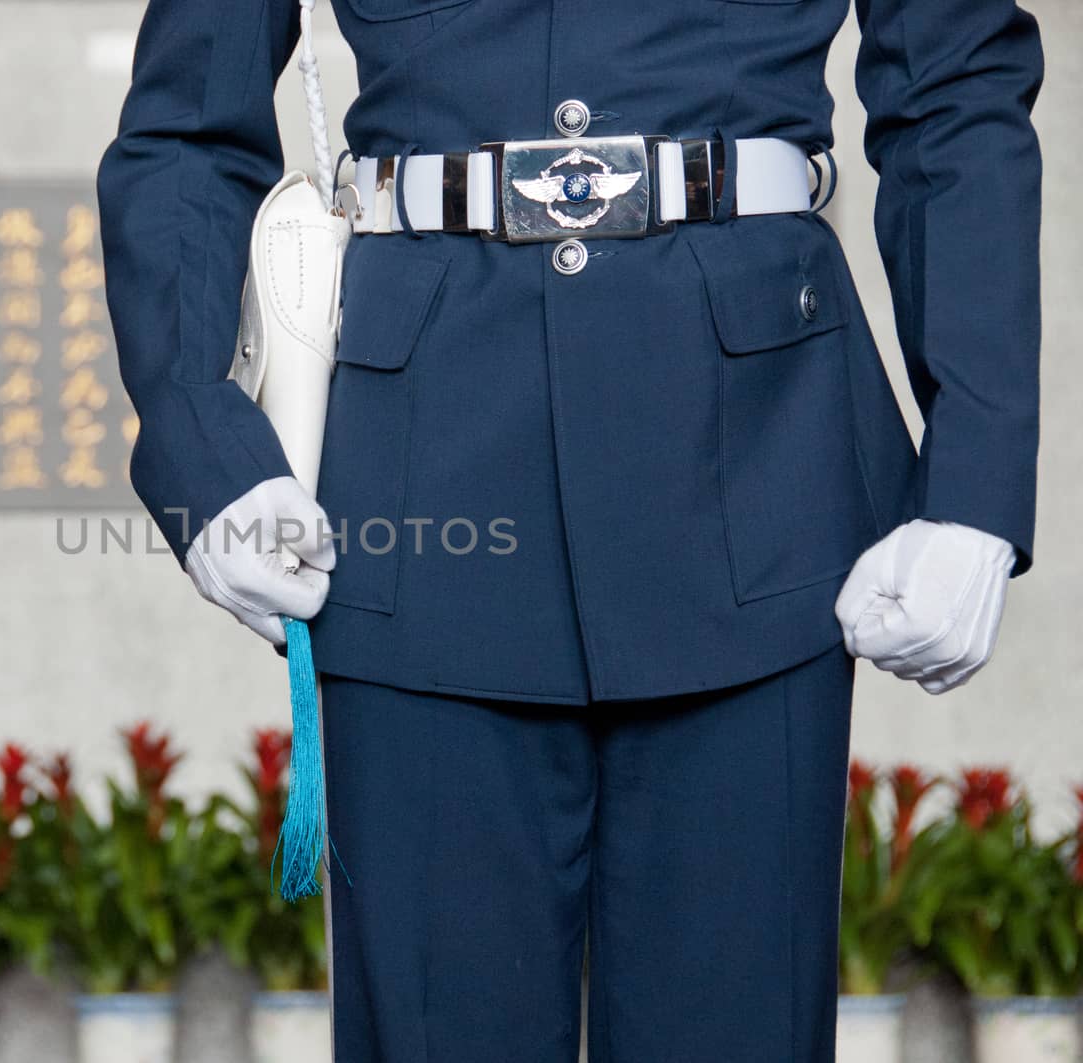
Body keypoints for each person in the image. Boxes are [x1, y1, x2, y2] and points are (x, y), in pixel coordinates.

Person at [94, 0, 1044, 1057]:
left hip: (754, 471)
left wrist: (971, 486)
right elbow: (186, 127)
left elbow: (954, 94)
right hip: (424, 483)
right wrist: (205, 452)